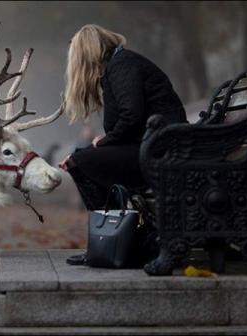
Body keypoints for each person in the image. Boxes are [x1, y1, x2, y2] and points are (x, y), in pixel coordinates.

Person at [58, 24, 187, 265]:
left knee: (80, 161)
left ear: (87, 53)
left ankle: (116, 241)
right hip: (153, 146)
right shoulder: (117, 66)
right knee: (79, 158)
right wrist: (96, 146)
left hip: (161, 150)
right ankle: (115, 240)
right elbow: (130, 122)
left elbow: (132, 116)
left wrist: (103, 142)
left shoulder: (122, 65)